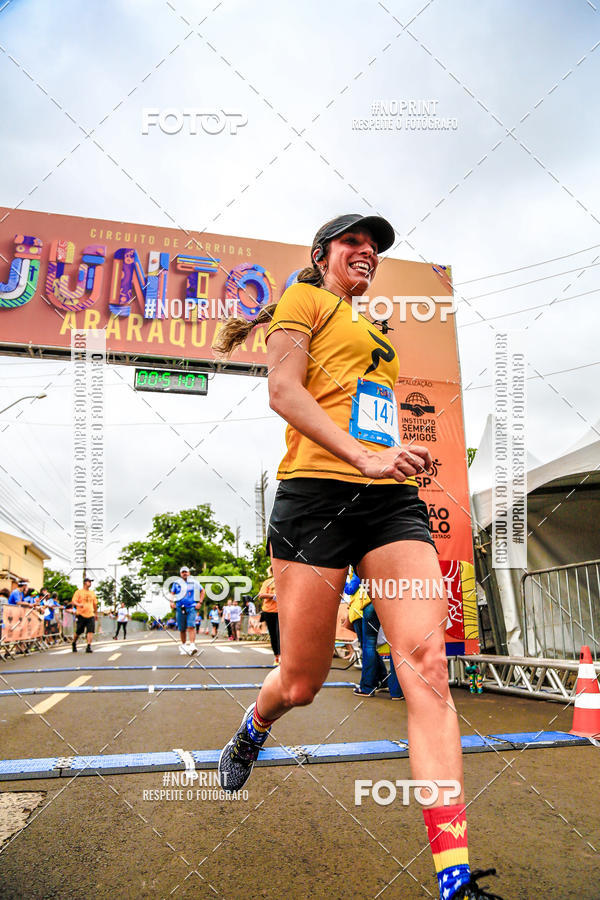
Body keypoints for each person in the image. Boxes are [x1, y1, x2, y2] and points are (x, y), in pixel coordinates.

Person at [215, 214, 502, 900]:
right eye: (354, 242)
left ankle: (453, 878)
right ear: (323, 256)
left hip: (388, 503)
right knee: (302, 682)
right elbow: (284, 392)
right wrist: (363, 456)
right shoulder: (303, 299)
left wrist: (401, 451)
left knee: (427, 667)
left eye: (374, 246)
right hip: (315, 500)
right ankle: (255, 726)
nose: (367, 251)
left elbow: (365, 412)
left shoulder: (376, 331)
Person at [169, 566, 204, 655]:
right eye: (182, 572)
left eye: (186, 572)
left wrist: (200, 602)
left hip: (191, 607)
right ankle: (184, 646)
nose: (184, 573)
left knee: (191, 626)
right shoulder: (176, 584)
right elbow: (172, 593)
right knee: (182, 629)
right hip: (180, 607)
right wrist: (171, 602)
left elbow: (202, 591)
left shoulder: (194, 582)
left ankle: (192, 645)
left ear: (189, 573)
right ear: (180, 574)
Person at [258, 566, 279, 665]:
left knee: (281, 635)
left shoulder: (285, 580)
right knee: (273, 635)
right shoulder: (267, 582)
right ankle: (277, 657)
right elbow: (261, 595)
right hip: (269, 611)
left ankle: (284, 657)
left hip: (282, 611)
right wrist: (273, 596)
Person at [71, 577, 98, 653]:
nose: (90, 583)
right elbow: (73, 601)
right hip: (81, 614)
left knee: (90, 631)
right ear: (85, 583)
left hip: (90, 614)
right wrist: (79, 604)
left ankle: (88, 646)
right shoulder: (78, 592)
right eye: (89, 582)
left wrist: (95, 613)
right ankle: (74, 642)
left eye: (90, 582)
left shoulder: (92, 593)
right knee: (79, 631)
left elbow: (95, 604)